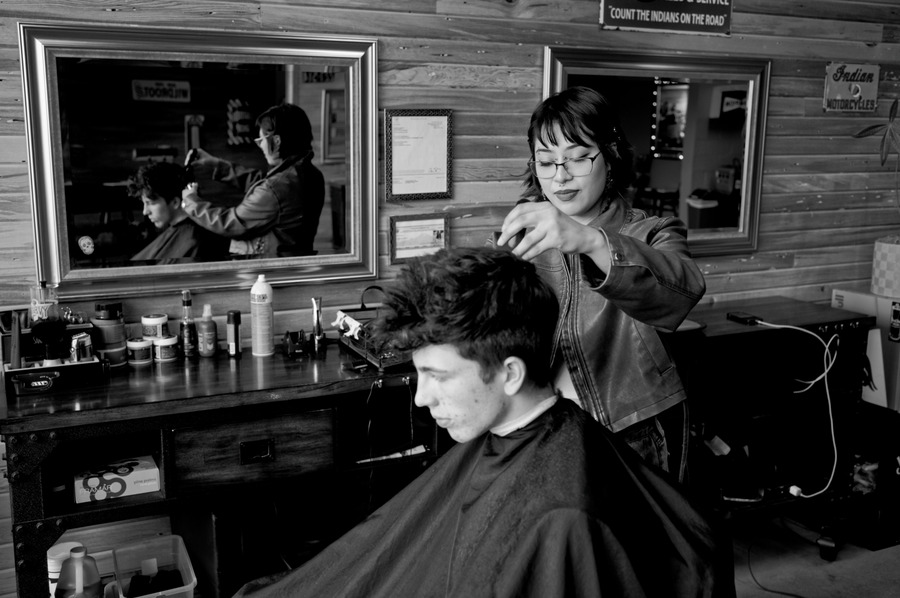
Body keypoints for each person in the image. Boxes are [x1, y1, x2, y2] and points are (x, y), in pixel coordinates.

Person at [233, 247, 733, 598]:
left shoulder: (561, 517)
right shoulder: (532, 437)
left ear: (510, 373)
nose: (422, 399)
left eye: (438, 376)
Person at [496, 86, 706, 481]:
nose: (560, 176)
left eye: (578, 158)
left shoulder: (652, 232)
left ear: (610, 157)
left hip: (632, 431)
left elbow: (682, 291)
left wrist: (591, 241)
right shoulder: (522, 240)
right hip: (541, 432)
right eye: (546, 162)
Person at [181, 102, 326, 258]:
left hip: (268, 266)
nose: (260, 145)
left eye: (261, 139)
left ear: (277, 141)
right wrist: (216, 166)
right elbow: (264, 183)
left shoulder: (275, 189)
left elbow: (231, 223)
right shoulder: (310, 174)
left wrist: (191, 202)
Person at [128, 161, 227, 264]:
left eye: (150, 203)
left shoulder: (195, 240)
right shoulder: (182, 234)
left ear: (175, 202)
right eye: (144, 203)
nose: (145, 212)